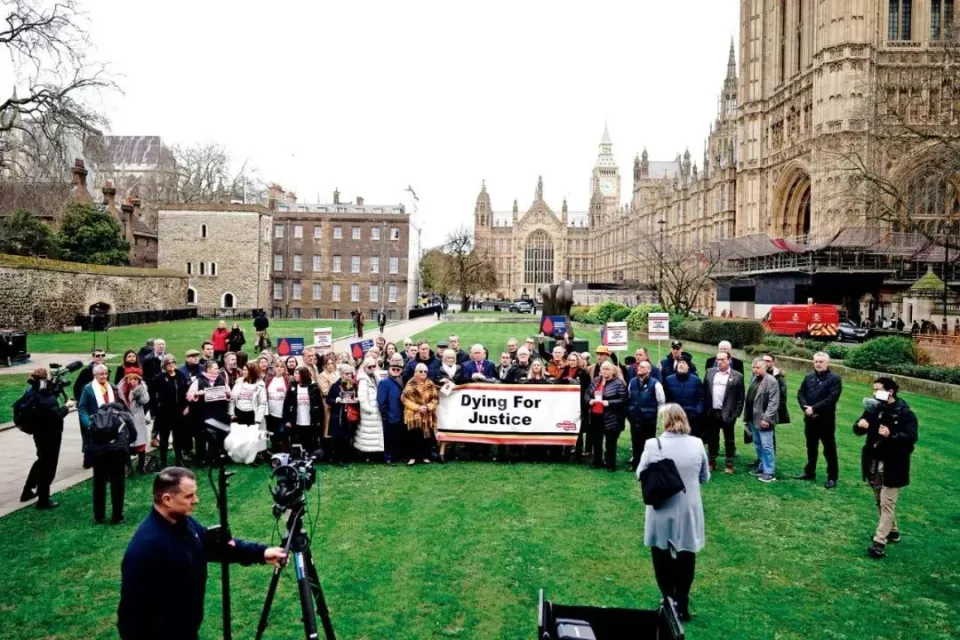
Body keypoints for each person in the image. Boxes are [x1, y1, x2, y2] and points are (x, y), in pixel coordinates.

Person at [117, 467, 285, 640]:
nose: (196, 500)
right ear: (167, 499)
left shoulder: (184, 523)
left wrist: (262, 553)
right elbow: (132, 617)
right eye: (189, 496)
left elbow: (215, 546)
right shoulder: (146, 548)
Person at [637, 403, 710, 622]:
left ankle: (668, 597)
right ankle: (682, 601)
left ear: (665, 421)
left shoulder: (652, 444)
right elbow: (705, 477)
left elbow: (640, 473)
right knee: (687, 554)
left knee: (661, 554)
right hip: (688, 507)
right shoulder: (697, 444)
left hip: (661, 506)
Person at [853, 377, 918, 559]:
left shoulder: (905, 413)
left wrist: (892, 435)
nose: (874, 393)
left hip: (894, 464)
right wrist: (859, 425)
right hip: (874, 462)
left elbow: (911, 437)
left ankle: (879, 542)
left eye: (878, 389)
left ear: (890, 391)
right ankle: (893, 532)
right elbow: (857, 429)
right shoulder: (873, 408)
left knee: (887, 503)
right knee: (879, 500)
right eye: (873, 389)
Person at [78, 364, 134, 524]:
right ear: (94, 375)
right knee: (99, 480)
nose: (104, 377)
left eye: (105, 374)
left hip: (115, 435)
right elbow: (81, 408)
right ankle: (99, 515)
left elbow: (123, 407)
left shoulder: (114, 388)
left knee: (117, 479)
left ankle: (117, 514)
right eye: (100, 374)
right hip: (98, 435)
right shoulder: (88, 389)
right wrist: (89, 423)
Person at [18, 368, 72, 509]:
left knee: (41, 461)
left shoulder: (34, 391)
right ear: (44, 380)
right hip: (50, 434)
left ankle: (27, 490)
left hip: (40, 433)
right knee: (48, 467)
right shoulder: (45, 398)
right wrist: (66, 407)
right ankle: (43, 500)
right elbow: (55, 416)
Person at [796, 351, 843, 488]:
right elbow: (800, 393)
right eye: (816, 361)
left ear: (827, 363)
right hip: (810, 420)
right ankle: (809, 472)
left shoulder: (834, 379)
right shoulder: (809, 377)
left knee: (829, 449)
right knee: (811, 447)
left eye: (821, 361)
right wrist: (806, 409)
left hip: (825, 421)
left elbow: (831, 399)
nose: (818, 364)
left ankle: (832, 476)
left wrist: (814, 409)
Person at [702, 352, 745, 474]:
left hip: (728, 413)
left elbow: (741, 398)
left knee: (729, 440)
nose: (720, 362)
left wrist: (736, 414)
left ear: (729, 360)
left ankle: (729, 464)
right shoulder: (710, 372)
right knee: (712, 438)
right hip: (712, 412)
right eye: (718, 359)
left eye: (723, 359)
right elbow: (705, 392)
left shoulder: (737, 376)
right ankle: (711, 462)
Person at [186, 360, 231, 466]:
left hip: (218, 413)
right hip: (202, 414)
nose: (217, 370)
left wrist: (226, 393)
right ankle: (201, 458)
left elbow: (229, 394)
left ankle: (215, 457)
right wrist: (197, 393)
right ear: (208, 369)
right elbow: (189, 395)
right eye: (215, 368)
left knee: (218, 436)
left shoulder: (221, 380)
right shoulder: (198, 381)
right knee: (201, 437)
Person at [586, 360, 628, 471]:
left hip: (611, 417)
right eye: (603, 368)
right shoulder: (596, 380)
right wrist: (589, 400)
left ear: (613, 371)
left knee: (610, 442)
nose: (604, 371)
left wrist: (609, 403)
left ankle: (610, 464)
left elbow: (624, 400)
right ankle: (597, 461)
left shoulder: (618, 383)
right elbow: (587, 393)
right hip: (596, 415)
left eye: (607, 369)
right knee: (596, 440)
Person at [744, 358, 780, 483]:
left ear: (765, 367)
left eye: (758, 367)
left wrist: (766, 419)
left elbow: (773, 403)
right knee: (758, 444)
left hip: (764, 420)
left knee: (767, 446)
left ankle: (769, 472)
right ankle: (762, 467)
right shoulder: (754, 379)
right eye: (753, 367)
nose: (755, 370)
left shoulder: (771, 381)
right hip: (753, 418)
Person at [626, 360, 666, 471]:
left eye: (642, 367)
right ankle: (636, 464)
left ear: (648, 370)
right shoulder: (632, 382)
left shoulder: (655, 384)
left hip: (649, 419)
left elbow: (661, 400)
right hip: (635, 417)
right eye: (639, 366)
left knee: (649, 443)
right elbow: (629, 396)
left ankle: (649, 465)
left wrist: (655, 415)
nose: (639, 368)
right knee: (635, 442)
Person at [150, 354, 188, 467]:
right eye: (168, 363)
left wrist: (186, 406)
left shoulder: (180, 375)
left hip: (178, 412)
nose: (171, 365)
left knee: (178, 438)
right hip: (164, 413)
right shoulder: (159, 377)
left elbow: (185, 390)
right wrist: (156, 408)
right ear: (164, 366)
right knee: (164, 438)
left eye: (173, 363)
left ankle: (179, 459)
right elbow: (152, 393)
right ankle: (163, 461)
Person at [401, 362, 440, 466]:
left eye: (425, 371)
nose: (423, 373)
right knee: (413, 436)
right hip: (413, 414)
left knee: (426, 436)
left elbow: (436, 398)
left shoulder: (430, 383)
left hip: (427, 413)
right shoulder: (410, 383)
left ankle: (425, 456)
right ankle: (412, 457)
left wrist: (427, 407)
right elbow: (404, 399)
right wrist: (417, 408)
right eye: (421, 371)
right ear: (415, 372)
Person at [283, 366, 324, 453]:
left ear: (303, 375)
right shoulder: (293, 387)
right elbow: (287, 405)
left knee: (309, 439)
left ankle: (310, 455)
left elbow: (319, 405)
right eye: (295, 373)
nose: (295, 375)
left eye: (297, 373)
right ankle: (296, 455)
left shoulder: (314, 388)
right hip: (296, 419)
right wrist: (287, 420)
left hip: (310, 420)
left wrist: (319, 420)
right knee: (296, 439)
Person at [118, 368, 151, 474]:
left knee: (140, 444)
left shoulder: (141, 388)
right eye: (130, 379)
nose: (133, 381)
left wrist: (139, 390)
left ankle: (141, 466)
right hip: (126, 419)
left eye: (135, 379)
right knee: (126, 444)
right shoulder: (120, 389)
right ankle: (128, 467)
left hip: (138, 419)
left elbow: (145, 400)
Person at [326, 364, 360, 464]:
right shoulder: (335, 386)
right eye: (346, 374)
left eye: (350, 373)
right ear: (341, 374)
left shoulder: (353, 385)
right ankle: (339, 458)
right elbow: (328, 400)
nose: (348, 376)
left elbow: (357, 397)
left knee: (348, 437)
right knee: (338, 438)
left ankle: (347, 457)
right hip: (338, 415)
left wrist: (356, 400)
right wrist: (336, 400)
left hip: (350, 414)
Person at [378, 354, 407, 465]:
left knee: (397, 436)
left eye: (397, 369)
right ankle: (388, 457)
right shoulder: (384, 382)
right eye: (393, 369)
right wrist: (386, 415)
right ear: (389, 369)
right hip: (390, 415)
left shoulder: (402, 380)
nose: (395, 371)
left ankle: (396, 455)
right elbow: (381, 401)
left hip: (400, 414)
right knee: (389, 438)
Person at [663, 360, 704, 437]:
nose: (681, 364)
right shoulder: (668, 380)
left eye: (684, 363)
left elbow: (701, 398)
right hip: (674, 416)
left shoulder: (696, 380)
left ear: (688, 366)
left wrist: (697, 412)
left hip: (691, 417)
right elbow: (666, 399)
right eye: (679, 362)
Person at [355, 357, 385, 459]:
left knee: (375, 435)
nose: (372, 368)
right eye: (369, 367)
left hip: (377, 411)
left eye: (374, 366)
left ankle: (377, 454)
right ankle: (368, 455)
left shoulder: (376, 377)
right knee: (368, 435)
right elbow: (362, 399)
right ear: (365, 368)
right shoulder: (364, 381)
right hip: (370, 413)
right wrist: (370, 410)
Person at [229, 362, 267, 428]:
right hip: (239, 413)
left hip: (251, 414)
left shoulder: (260, 385)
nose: (243, 372)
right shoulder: (239, 382)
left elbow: (262, 404)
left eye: (246, 370)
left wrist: (257, 420)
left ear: (252, 371)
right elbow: (232, 399)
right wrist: (232, 413)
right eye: (243, 369)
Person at [264, 363, 289, 452]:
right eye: (277, 366)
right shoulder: (269, 380)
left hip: (283, 413)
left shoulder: (287, 380)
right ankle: (274, 452)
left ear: (284, 369)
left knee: (282, 433)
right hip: (271, 412)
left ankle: (285, 452)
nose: (279, 368)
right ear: (274, 368)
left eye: (281, 367)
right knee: (273, 433)